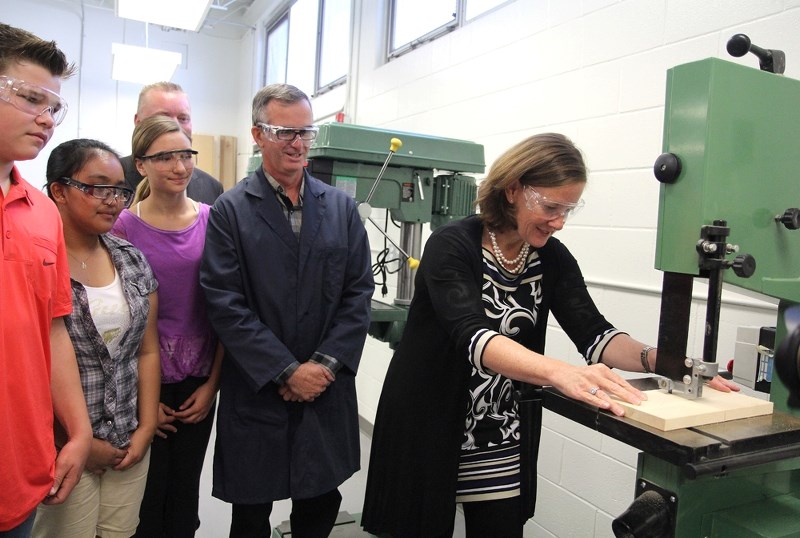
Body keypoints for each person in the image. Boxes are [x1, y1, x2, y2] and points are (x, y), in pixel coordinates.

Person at [360, 133, 739, 538]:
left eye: (568, 210)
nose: (558, 221)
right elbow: (473, 337)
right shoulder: (452, 244)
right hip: (428, 419)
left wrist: (671, 363)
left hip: (500, 430)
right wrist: (560, 372)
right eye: (550, 206)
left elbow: (597, 336)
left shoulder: (551, 257)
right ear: (512, 190)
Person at [199, 83, 374, 538]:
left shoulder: (340, 208)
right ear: (258, 134)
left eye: (305, 132)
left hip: (324, 388)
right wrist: (285, 371)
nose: (297, 143)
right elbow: (224, 301)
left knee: (319, 506)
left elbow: (358, 294)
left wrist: (324, 366)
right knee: (251, 515)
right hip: (260, 390)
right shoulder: (230, 212)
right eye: (284, 132)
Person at [33, 139, 161, 537]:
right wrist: (76, 440)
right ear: (59, 190)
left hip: (128, 440)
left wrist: (145, 428)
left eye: (120, 190)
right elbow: (28, 366)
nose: (113, 200)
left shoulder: (130, 258)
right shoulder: (36, 261)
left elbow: (148, 350)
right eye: (97, 187)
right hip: (60, 445)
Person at [0, 23, 92, 537]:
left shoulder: (42, 213)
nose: (46, 119)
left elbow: (53, 327)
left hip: (22, 469)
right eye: (31, 98)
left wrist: (77, 431)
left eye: (54, 106)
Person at [111, 115, 223, 538]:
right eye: (165, 158)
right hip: (144, 381)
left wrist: (213, 386)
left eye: (185, 155)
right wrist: (145, 403)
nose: (179, 167)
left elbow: (226, 310)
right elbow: (122, 321)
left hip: (199, 380)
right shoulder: (123, 227)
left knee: (184, 493)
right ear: (141, 165)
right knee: (147, 495)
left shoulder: (214, 221)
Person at [120, 82, 223, 206]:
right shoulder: (112, 180)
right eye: (162, 118)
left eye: (183, 118)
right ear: (138, 121)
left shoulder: (211, 188)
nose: (175, 126)